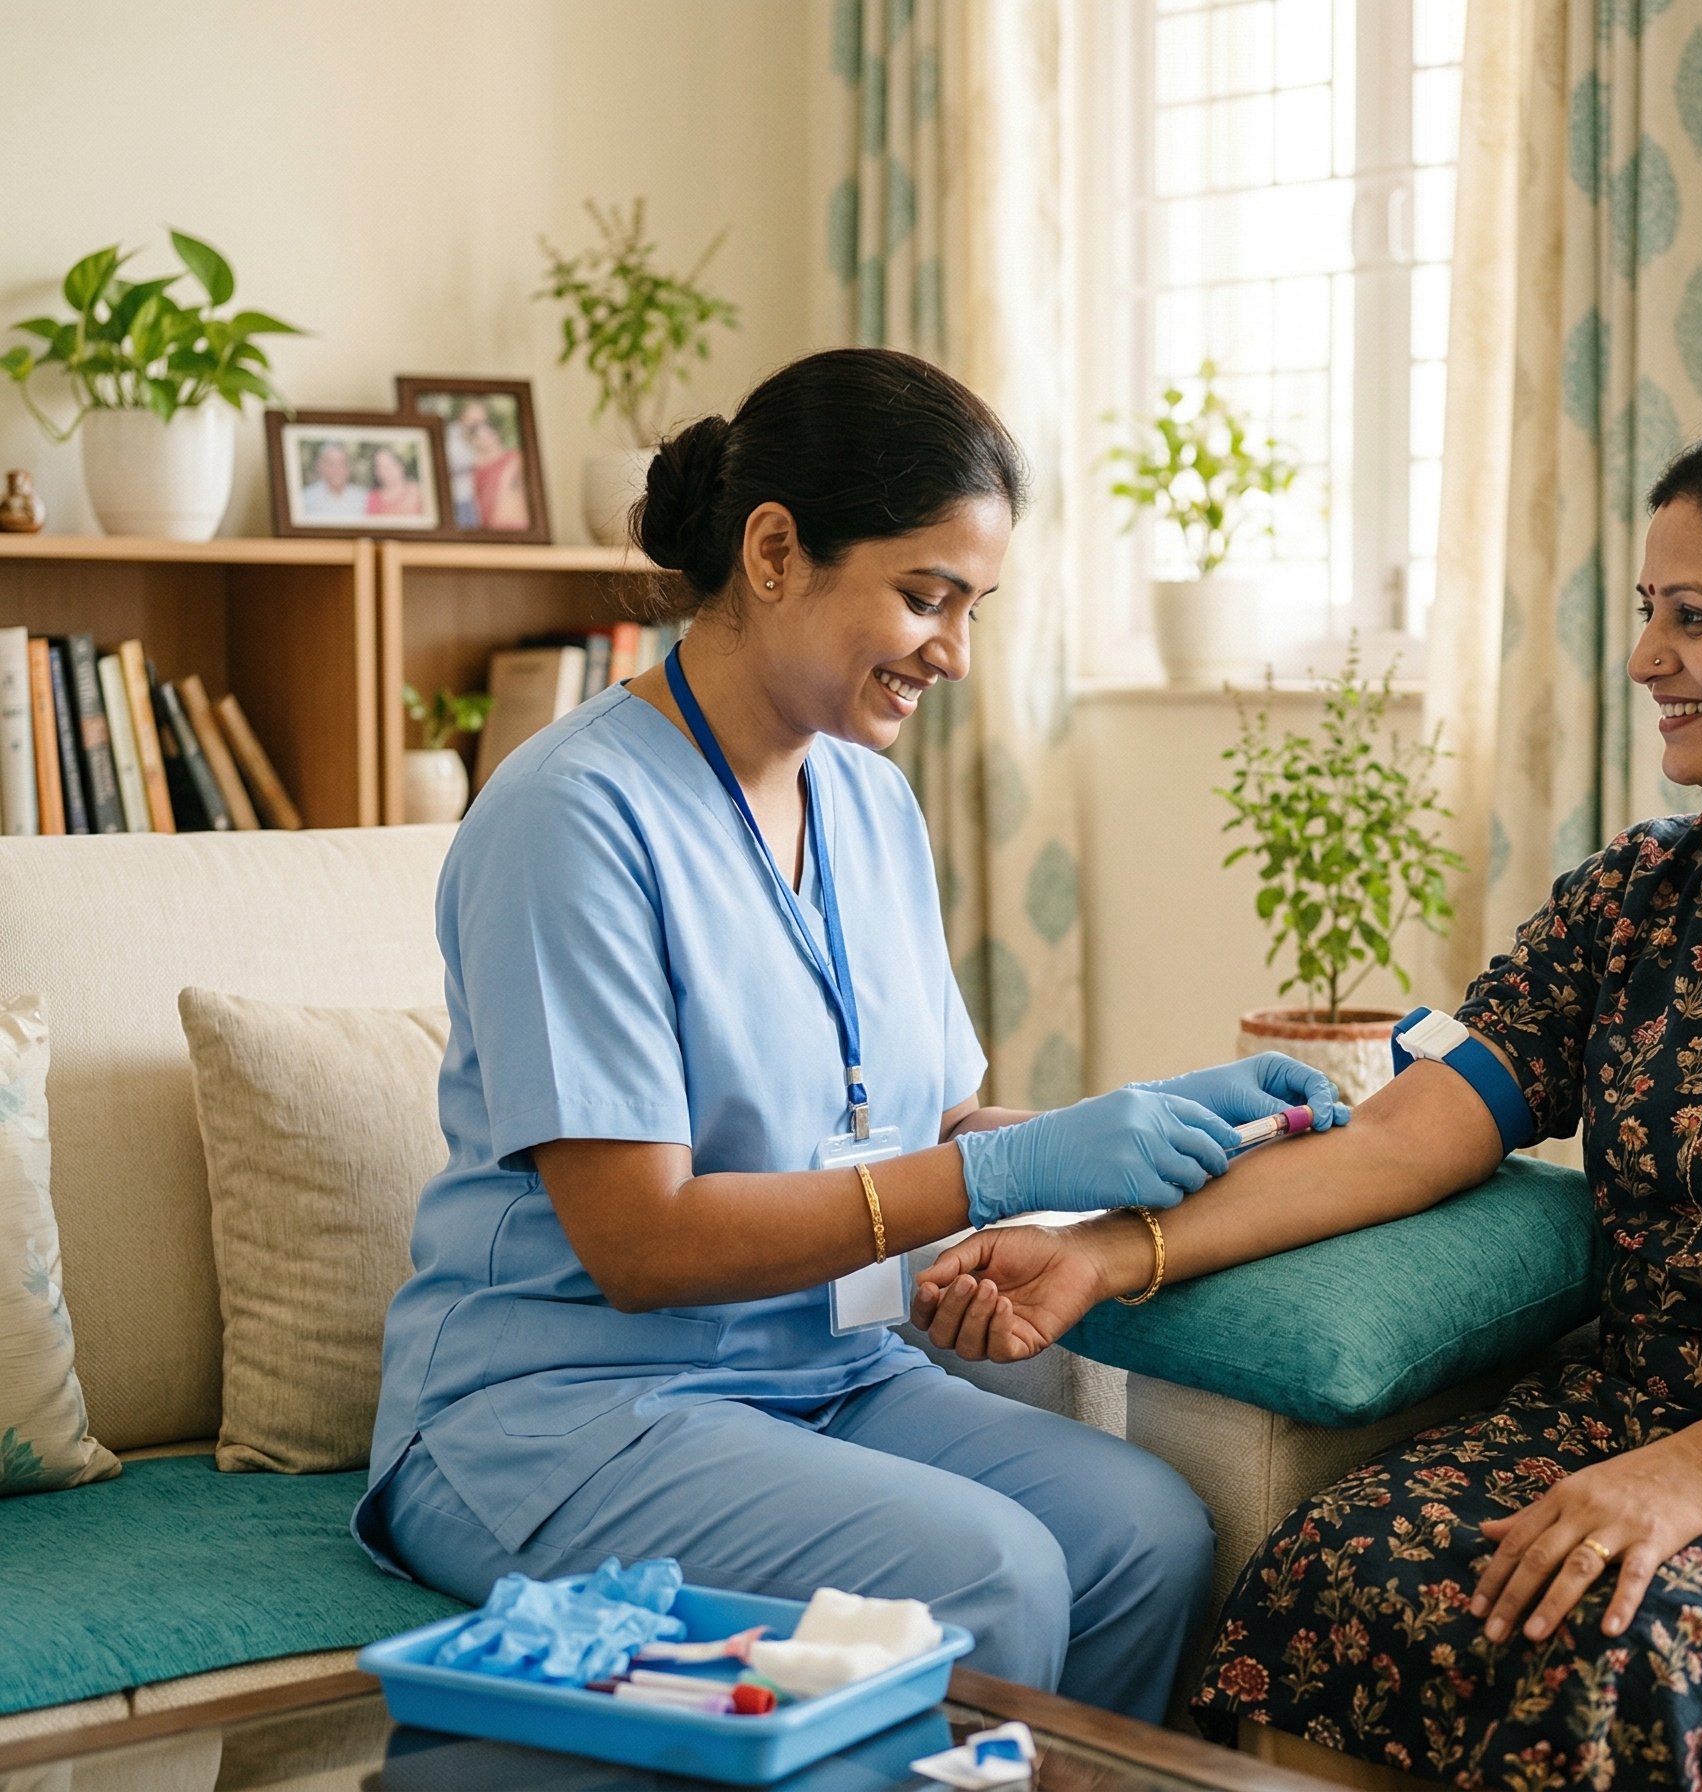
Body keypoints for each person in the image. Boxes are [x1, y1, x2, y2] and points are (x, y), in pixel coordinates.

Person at [914, 420, 1702, 1791]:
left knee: (1605, 1639)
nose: (1646, 660)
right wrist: (1103, 1249)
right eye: (1648, 613)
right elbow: (1403, 1139)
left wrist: (1700, 1468)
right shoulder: (1643, 896)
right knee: (1339, 1576)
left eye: (1695, 619)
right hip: (1646, 1412)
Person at [353, 347, 1343, 1725]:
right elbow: (641, 1245)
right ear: (773, 552)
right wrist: (995, 1174)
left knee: (1145, 1536)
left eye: (975, 606)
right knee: (988, 1572)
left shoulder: (874, 810)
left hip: (830, 1371)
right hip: (567, 1406)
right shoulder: (568, 820)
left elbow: (927, 1138)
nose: (956, 649)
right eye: (925, 595)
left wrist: (1158, 1119)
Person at [460, 399, 530, 531]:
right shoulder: (473, 472)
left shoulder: (516, 460)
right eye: (473, 428)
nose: (482, 432)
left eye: (486, 424)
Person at [299, 440, 368, 520]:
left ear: (349, 468)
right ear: (320, 467)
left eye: (342, 463)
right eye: (331, 463)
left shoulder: (363, 498)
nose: (337, 469)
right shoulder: (305, 498)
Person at [364, 444, 424, 518]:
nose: (386, 470)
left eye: (391, 464)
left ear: (401, 466)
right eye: (380, 466)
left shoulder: (419, 492)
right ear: (376, 472)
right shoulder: (373, 497)